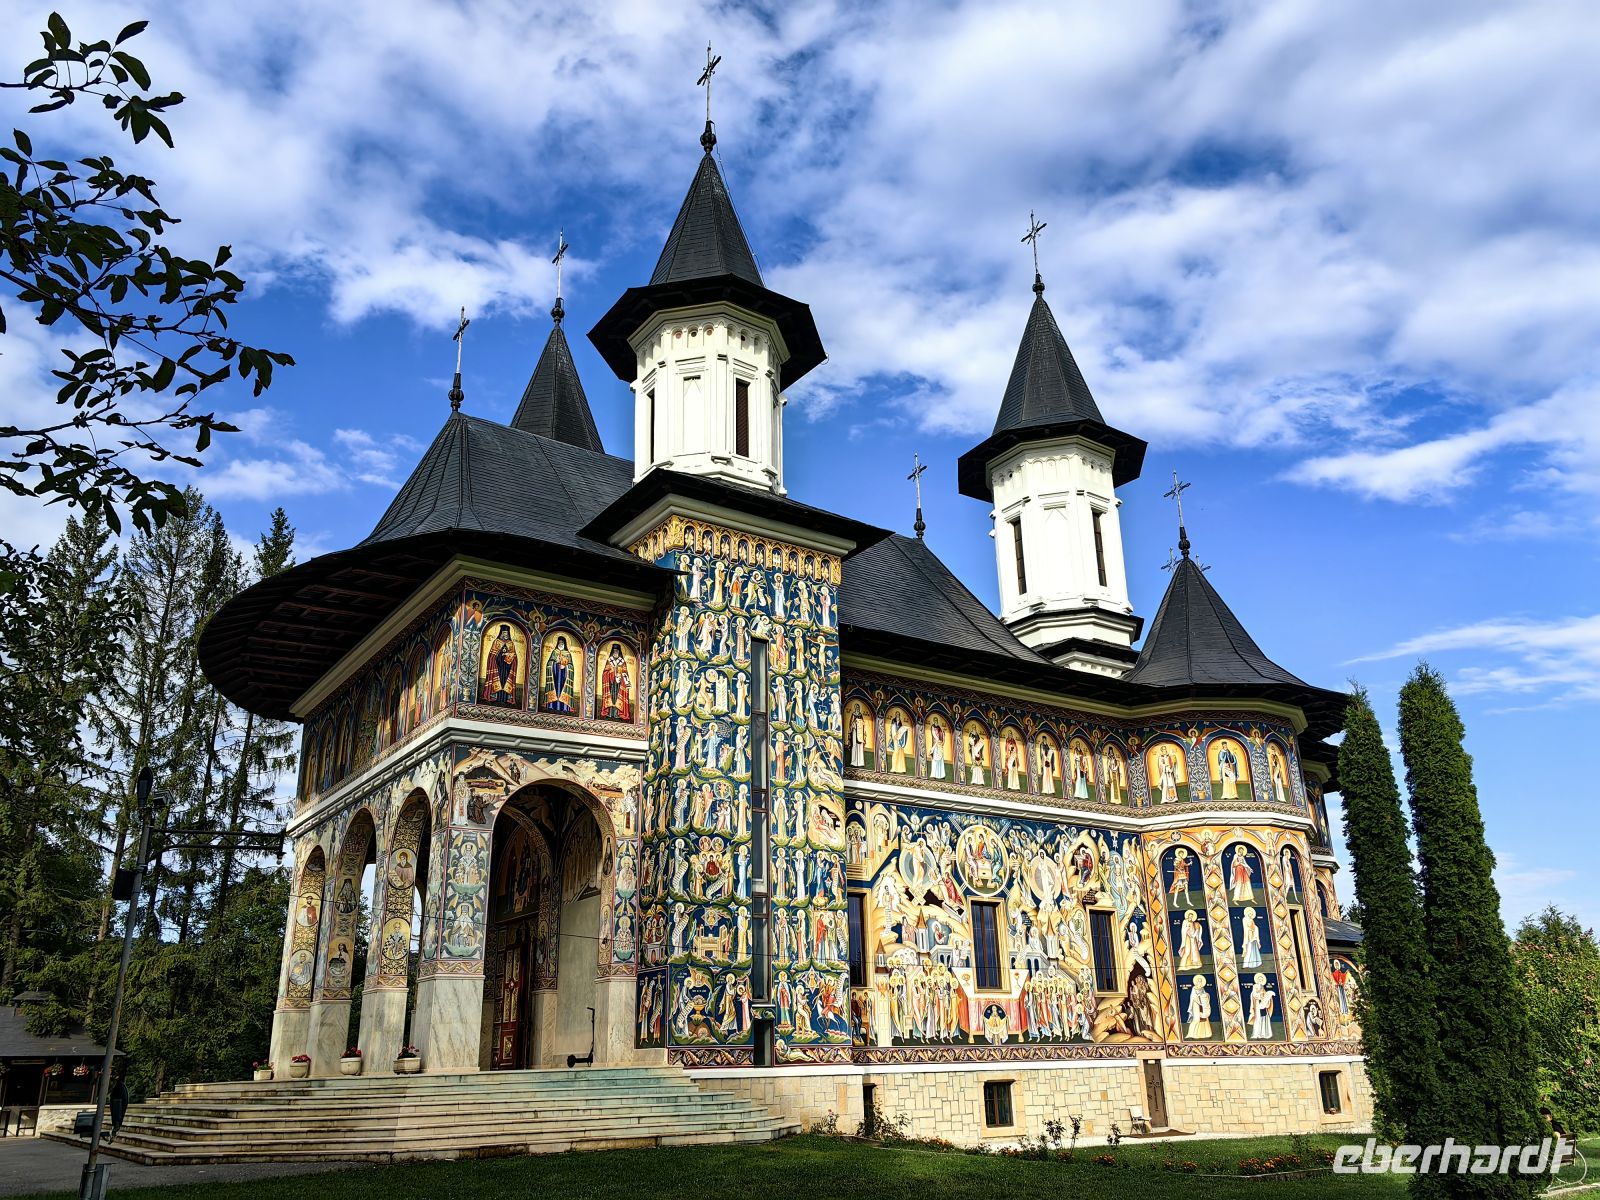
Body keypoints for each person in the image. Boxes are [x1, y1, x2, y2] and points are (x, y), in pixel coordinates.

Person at [109, 1074, 129, 1142]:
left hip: (118, 1104)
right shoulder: (120, 1086)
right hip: (118, 1104)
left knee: (117, 1119)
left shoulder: (119, 1087)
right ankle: (115, 1130)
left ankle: (115, 1130)